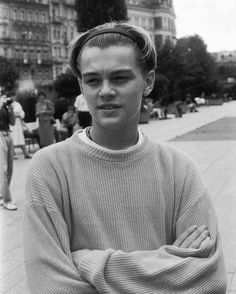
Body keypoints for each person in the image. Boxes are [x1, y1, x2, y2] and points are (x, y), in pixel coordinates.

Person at [23, 22, 227, 293]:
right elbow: (48, 286)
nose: (105, 90)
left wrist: (89, 262)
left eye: (120, 78)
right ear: (81, 86)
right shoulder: (50, 168)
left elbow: (210, 279)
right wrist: (168, 271)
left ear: (148, 82)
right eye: (93, 80)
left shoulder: (178, 168)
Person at [0, 95, 17, 210]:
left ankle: (2, 195)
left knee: (10, 168)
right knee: (3, 169)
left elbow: (12, 122)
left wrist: (10, 108)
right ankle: (7, 200)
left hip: (8, 134)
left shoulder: (5, 105)